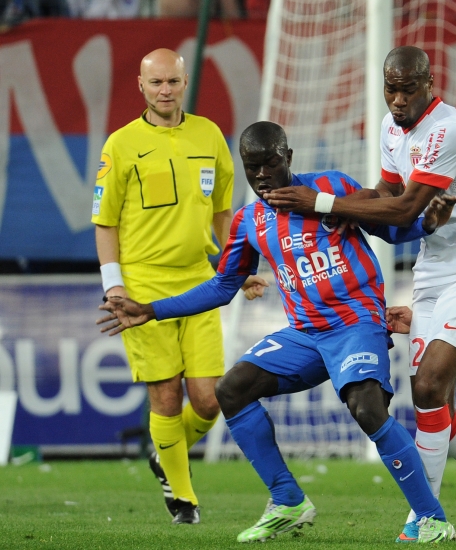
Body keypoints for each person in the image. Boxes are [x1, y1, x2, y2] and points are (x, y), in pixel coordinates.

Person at [98, 121, 456, 544]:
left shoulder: (331, 186)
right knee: (232, 388)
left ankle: (432, 519)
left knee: (367, 408)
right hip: (304, 333)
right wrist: (150, 309)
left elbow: (390, 228)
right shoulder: (249, 220)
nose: (263, 176)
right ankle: (287, 500)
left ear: (288, 157)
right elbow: (222, 286)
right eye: (253, 168)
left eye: (271, 164)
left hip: (355, 324)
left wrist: (427, 223)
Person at [262, 46, 456, 542]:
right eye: (390, 88)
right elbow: (385, 193)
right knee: (436, 408)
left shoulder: (448, 129)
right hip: (432, 269)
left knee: (430, 385)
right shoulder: (393, 129)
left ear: (429, 84)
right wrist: (327, 208)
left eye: (406, 88)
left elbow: (406, 209)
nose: (396, 99)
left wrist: (322, 201)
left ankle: (425, 520)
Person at [90, 48, 267, 525]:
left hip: (199, 283)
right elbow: (104, 223)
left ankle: (165, 454)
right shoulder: (120, 145)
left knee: (210, 400)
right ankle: (183, 498)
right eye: (156, 83)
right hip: (143, 285)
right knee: (166, 393)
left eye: (172, 82)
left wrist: (238, 264)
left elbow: (222, 213)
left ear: (185, 83)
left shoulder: (209, 134)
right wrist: (114, 286)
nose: (165, 91)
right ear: (141, 87)